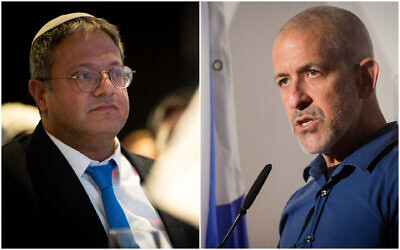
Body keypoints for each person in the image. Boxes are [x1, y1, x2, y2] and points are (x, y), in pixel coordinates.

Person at [2, 13, 198, 248]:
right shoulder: (9, 182)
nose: (107, 89)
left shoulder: (168, 179)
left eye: (116, 73)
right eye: (85, 75)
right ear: (41, 94)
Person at [272, 6, 398, 248]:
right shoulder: (295, 206)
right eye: (284, 80)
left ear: (364, 78)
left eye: (312, 72)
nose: (294, 99)